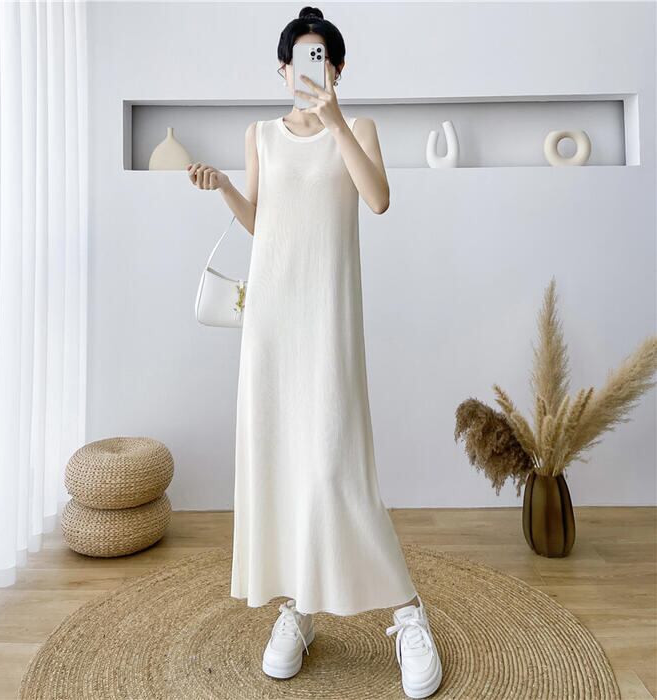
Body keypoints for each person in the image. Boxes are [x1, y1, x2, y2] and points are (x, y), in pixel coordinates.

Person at [186, 6, 442, 698]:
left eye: (320, 58)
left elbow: (378, 199)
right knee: (284, 464)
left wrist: (335, 123)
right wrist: (225, 188)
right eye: (297, 59)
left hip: (328, 318)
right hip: (272, 321)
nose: (308, 70)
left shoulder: (358, 129)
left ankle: (409, 612)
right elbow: (263, 223)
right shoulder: (260, 136)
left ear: (337, 68)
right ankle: (298, 609)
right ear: (281, 70)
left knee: (335, 466)